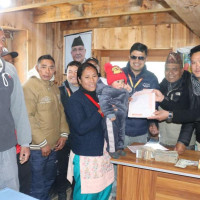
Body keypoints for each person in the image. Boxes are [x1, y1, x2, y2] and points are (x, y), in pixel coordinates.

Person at [23, 54, 70, 200]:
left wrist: (64, 134)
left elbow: (60, 112)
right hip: (38, 148)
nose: (47, 71)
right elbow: (28, 117)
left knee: (49, 182)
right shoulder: (29, 86)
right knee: (38, 186)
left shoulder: (54, 87)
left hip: (53, 146)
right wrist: (42, 143)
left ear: (55, 70)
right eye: (43, 67)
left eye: (50, 68)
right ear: (37, 68)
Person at [66, 62, 114, 200]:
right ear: (79, 80)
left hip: (103, 152)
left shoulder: (101, 95)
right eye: (87, 77)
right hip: (86, 155)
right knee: (87, 194)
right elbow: (81, 128)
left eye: (94, 76)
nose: (92, 80)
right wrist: (100, 112)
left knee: (104, 190)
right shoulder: (75, 100)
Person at [149, 45, 200, 153]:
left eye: (174, 69)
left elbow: (190, 115)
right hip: (164, 140)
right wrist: (153, 123)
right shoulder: (161, 86)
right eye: (167, 69)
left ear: (182, 70)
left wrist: (182, 141)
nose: (170, 73)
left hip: (184, 143)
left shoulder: (189, 85)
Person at [0, 27, 32, 191]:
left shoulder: (10, 70)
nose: (0, 44)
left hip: (6, 147)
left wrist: (25, 142)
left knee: (11, 192)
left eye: (2, 39)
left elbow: (19, 109)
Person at [51, 61, 81, 200]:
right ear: (65, 73)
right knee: (61, 167)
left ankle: (75, 193)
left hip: (79, 137)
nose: (73, 75)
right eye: (70, 71)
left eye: (76, 71)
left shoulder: (85, 91)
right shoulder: (59, 90)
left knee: (77, 168)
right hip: (62, 136)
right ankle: (62, 193)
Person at [122, 42, 159, 146]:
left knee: (138, 162)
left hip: (142, 132)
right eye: (134, 57)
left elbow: (155, 105)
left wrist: (153, 123)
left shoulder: (152, 78)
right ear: (129, 57)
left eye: (141, 58)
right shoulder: (119, 74)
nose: (137, 61)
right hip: (120, 131)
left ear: (146, 58)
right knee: (118, 161)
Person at [96, 63, 130, 159]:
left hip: (121, 115)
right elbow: (103, 102)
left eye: (122, 81)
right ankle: (111, 149)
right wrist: (110, 113)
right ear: (111, 82)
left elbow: (129, 96)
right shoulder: (107, 90)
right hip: (112, 116)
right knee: (111, 133)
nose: (120, 84)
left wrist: (129, 90)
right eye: (118, 81)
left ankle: (120, 147)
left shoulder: (122, 89)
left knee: (121, 132)